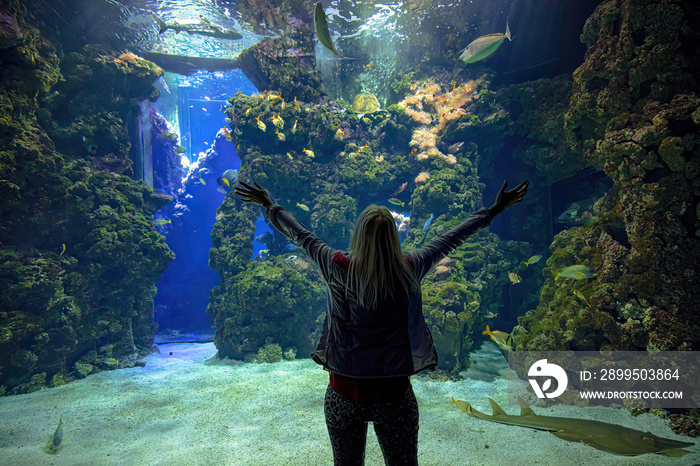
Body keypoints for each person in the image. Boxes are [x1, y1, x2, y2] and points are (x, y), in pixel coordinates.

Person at [234, 179, 529, 466]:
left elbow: (300, 234)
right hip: (395, 397)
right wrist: (493, 210)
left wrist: (269, 205)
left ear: (358, 235)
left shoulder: (336, 266)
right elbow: (451, 238)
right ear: (393, 237)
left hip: (344, 394)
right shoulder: (410, 268)